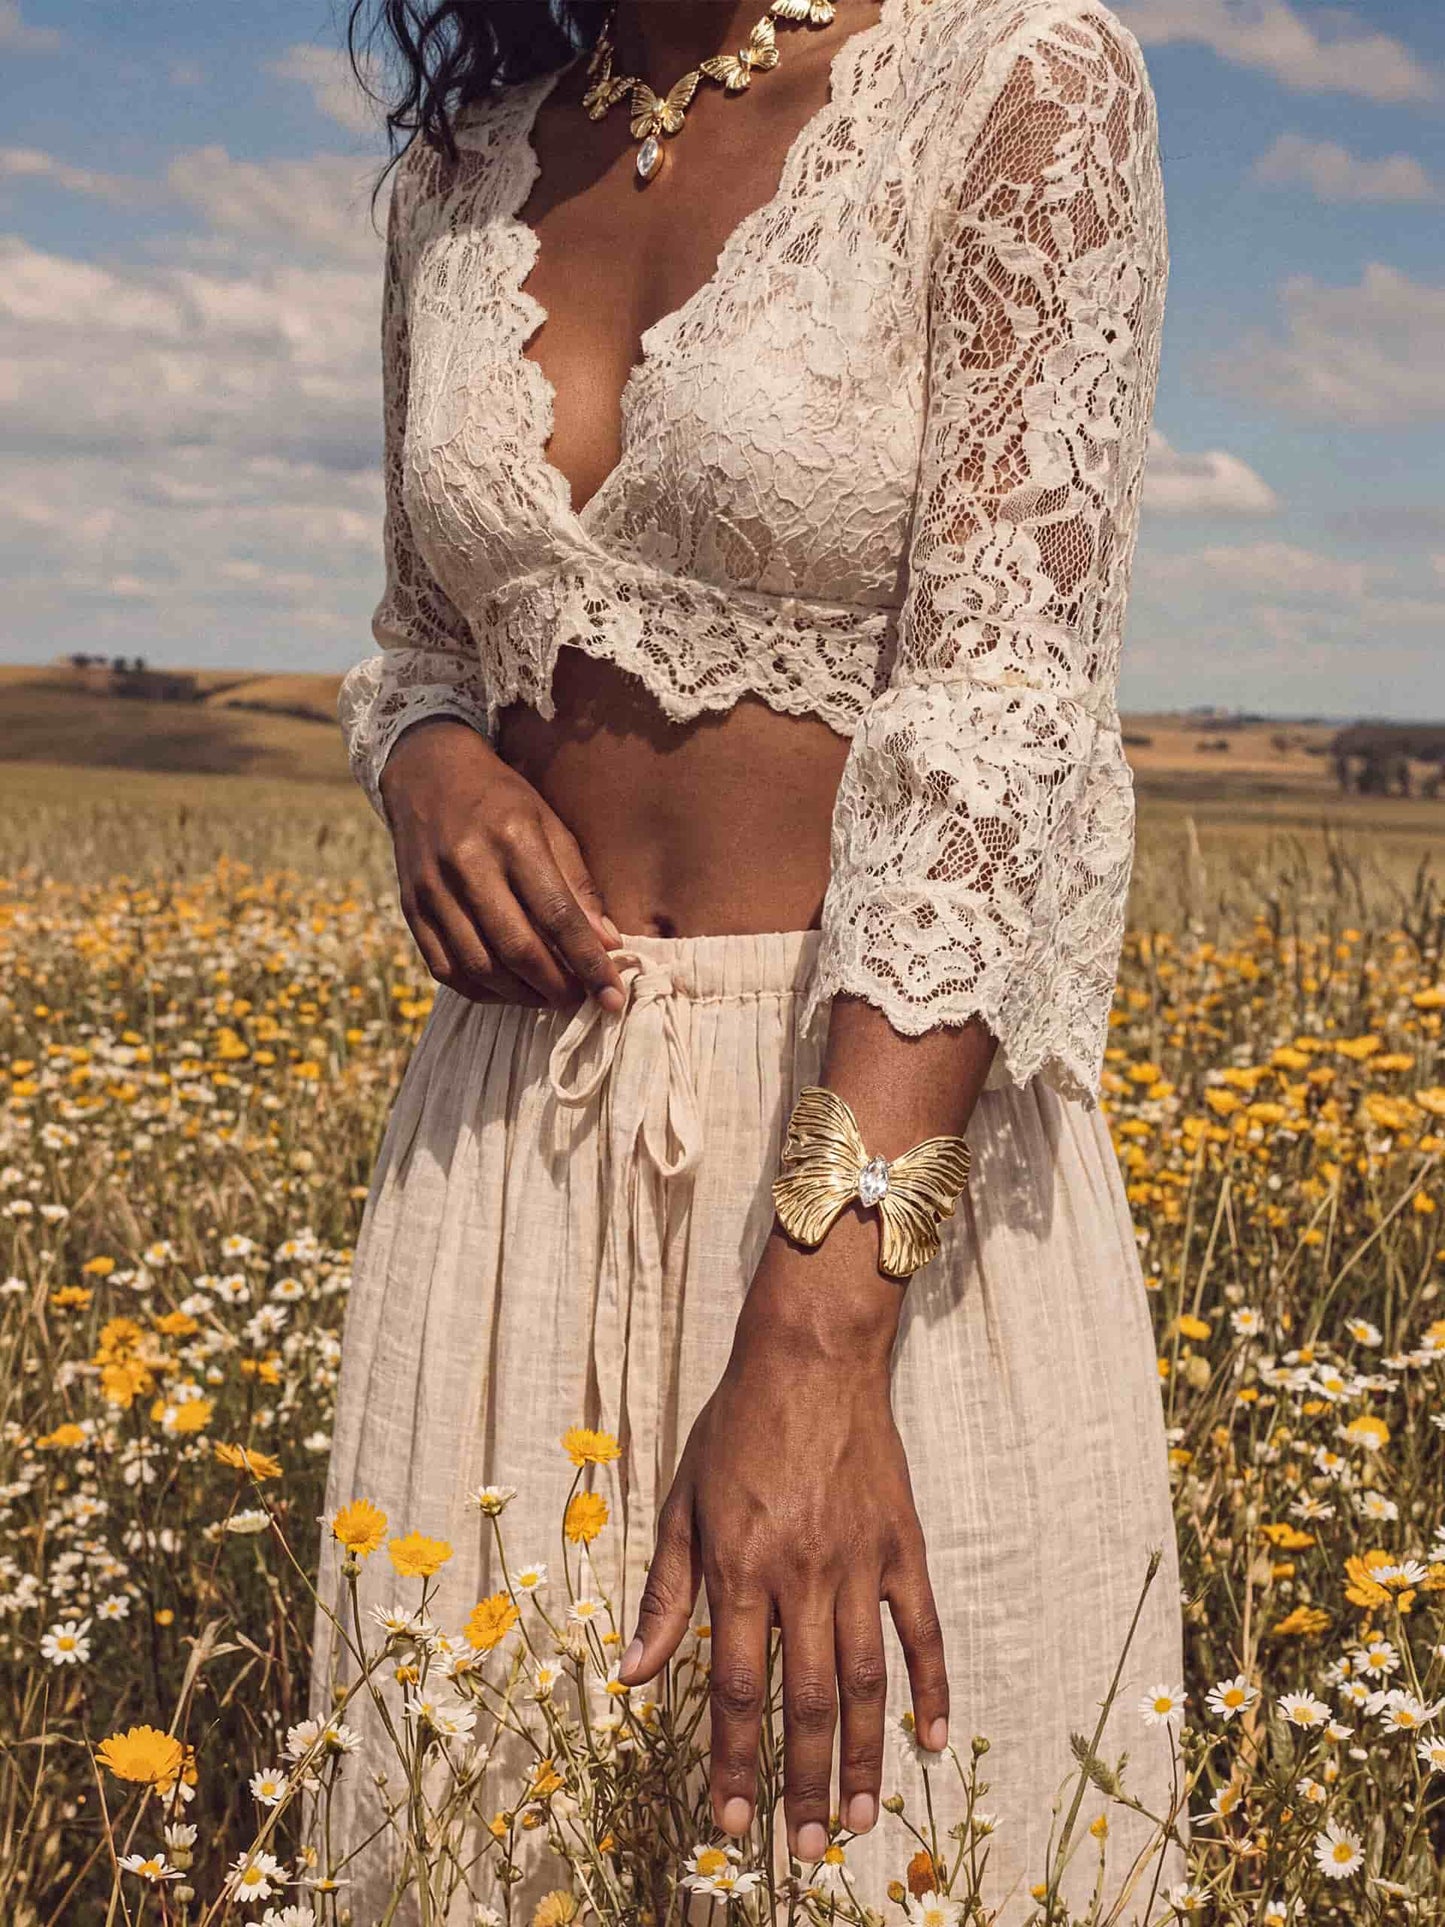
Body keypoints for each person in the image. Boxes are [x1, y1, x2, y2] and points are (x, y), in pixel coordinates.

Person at [314, 0, 1186, 1917]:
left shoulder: (1015, 81)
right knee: (469, 1855)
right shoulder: (461, 169)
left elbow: (1002, 714)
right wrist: (427, 759)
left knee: (889, 1854)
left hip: (867, 1149)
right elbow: (418, 638)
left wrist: (816, 1332)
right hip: (503, 1148)